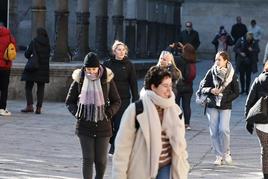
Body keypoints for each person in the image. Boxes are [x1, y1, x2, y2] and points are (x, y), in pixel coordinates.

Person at [112, 66, 189, 179]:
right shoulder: (137, 110)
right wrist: (119, 176)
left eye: (170, 86)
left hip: (167, 168)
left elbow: (180, 145)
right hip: (142, 170)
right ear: (153, 87)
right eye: (165, 86)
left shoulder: (175, 110)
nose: (169, 90)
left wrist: (184, 166)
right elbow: (122, 148)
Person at [66, 52, 121, 179]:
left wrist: (108, 113)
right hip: (84, 125)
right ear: (84, 68)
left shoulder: (107, 80)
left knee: (101, 161)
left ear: (99, 68)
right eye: (88, 69)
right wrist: (78, 114)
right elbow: (69, 101)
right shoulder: (79, 79)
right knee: (88, 159)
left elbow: (117, 101)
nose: (91, 72)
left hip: (103, 125)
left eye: (94, 69)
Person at [198, 51, 239, 165]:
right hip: (212, 105)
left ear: (226, 61)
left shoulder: (232, 74)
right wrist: (211, 90)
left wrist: (225, 98)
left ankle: (226, 152)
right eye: (216, 59)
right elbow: (202, 88)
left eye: (219, 60)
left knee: (224, 130)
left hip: (225, 105)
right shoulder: (211, 71)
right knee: (214, 132)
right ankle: (218, 155)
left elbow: (237, 92)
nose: (216, 62)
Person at [103, 40, 139, 155]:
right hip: (109, 98)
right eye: (119, 49)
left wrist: (135, 98)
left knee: (119, 124)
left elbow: (133, 83)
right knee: (108, 123)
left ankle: (114, 148)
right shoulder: (107, 64)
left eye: (123, 50)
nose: (122, 52)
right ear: (114, 51)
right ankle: (112, 140)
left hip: (123, 99)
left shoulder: (129, 65)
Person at [245, 61, 268, 179]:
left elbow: (249, 102)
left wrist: (248, 121)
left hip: (261, 122)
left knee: (265, 150)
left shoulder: (258, 80)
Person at [20, 27, 50, 114]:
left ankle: (29, 106)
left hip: (33, 68)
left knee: (28, 87)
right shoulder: (47, 43)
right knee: (41, 88)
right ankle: (38, 108)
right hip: (43, 69)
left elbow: (27, 54)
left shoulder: (34, 41)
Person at [175, 43, 197, 130]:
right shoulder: (193, 59)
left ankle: (177, 122)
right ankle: (187, 124)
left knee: (176, 105)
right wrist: (184, 47)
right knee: (186, 105)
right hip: (188, 86)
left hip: (179, 86)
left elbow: (167, 55)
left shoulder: (179, 59)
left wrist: (171, 47)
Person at [0, 22, 16, 116]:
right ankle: (2, 108)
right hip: (5, 66)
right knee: (4, 88)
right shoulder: (9, 36)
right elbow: (14, 49)